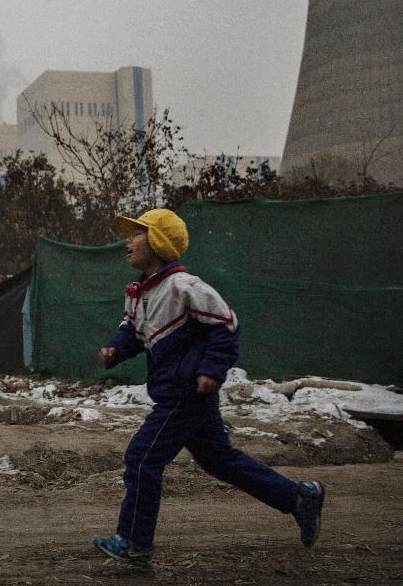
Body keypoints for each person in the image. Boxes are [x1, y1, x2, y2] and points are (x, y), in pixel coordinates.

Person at [92, 208, 325, 567]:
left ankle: (135, 543)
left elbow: (227, 327)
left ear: (158, 241)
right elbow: (133, 333)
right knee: (220, 460)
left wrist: (212, 371)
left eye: (138, 233)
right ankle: (298, 497)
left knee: (142, 458)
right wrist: (115, 348)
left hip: (186, 392)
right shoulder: (139, 293)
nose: (128, 240)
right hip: (177, 391)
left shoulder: (185, 286)